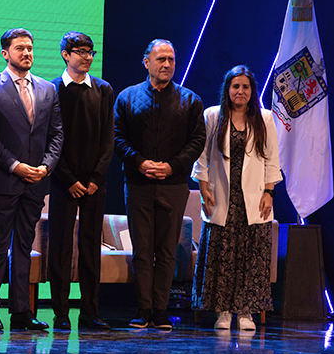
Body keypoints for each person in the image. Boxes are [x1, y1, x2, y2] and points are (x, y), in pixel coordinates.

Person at [0, 28, 63, 331]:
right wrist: (15, 166)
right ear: (5, 53)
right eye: (20, 48)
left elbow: (57, 134)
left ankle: (22, 311)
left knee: (24, 246)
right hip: (3, 179)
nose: (26, 53)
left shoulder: (47, 89)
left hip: (36, 181)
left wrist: (46, 167)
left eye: (30, 48)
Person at [114, 39, 205, 330]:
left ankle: (161, 310)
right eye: (161, 59)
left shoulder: (190, 100)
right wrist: (139, 162)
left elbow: (197, 140)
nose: (167, 64)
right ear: (146, 62)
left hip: (174, 184)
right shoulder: (127, 97)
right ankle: (143, 309)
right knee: (142, 249)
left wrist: (172, 166)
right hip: (138, 183)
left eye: (171, 59)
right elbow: (117, 137)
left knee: (167, 250)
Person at [191, 65, 282, 331]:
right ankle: (223, 311)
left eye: (245, 87)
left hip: (253, 199)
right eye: (235, 86)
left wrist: (269, 192)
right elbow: (202, 156)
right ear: (227, 89)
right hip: (221, 198)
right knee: (222, 257)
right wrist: (203, 188)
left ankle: (245, 313)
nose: (240, 91)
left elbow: (271, 158)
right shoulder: (212, 115)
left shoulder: (265, 118)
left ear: (252, 91)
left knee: (250, 257)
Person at [48, 32, 114, 330]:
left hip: (94, 184)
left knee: (90, 247)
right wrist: (69, 179)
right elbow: (49, 139)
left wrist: (96, 177)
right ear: (66, 54)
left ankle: (90, 311)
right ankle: (61, 313)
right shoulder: (52, 90)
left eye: (90, 52)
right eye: (81, 51)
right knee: (60, 247)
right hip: (63, 182)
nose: (87, 57)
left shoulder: (103, 89)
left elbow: (108, 137)